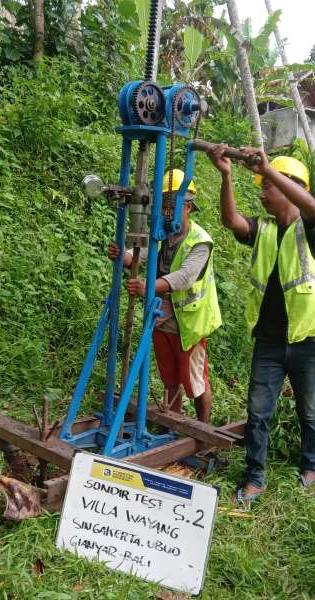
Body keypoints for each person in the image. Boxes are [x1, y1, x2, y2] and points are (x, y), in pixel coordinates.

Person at [207, 144, 315, 504]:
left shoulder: (313, 227)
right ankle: (255, 478)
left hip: (306, 341)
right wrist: (226, 175)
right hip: (268, 342)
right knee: (258, 412)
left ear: (290, 186)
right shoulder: (263, 229)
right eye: (263, 186)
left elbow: (311, 206)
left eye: (267, 187)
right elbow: (231, 220)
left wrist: (269, 168)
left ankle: (312, 467)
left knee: (309, 410)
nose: (262, 193)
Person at [108, 169, 222, 423]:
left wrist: (148, 287)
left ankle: (203, 430)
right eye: (163, 205)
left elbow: (185, 277)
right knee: (170, 378)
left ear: (189, 207)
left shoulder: (200, 241)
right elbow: (140, 254)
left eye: (173, 205)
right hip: (162, 317)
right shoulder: (161, 234)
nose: (167, 211)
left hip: (190, 323)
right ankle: (174, 423)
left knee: (194, 382)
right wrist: (123, 255)